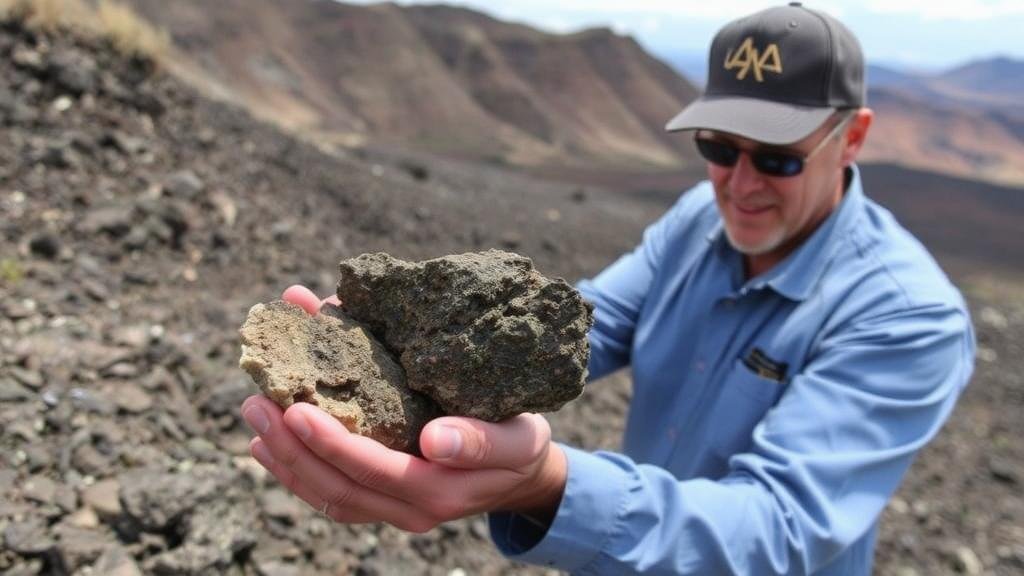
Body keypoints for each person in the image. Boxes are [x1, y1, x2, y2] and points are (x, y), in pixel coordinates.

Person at [240, 3, 975, 574]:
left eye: (778, 159)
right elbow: (582, 329)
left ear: (851, 138)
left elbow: (778, 529)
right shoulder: (700, 218)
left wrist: (543, 486)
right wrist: (413, 363)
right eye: (719, 149)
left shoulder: (909, 319)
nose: (740, 185)